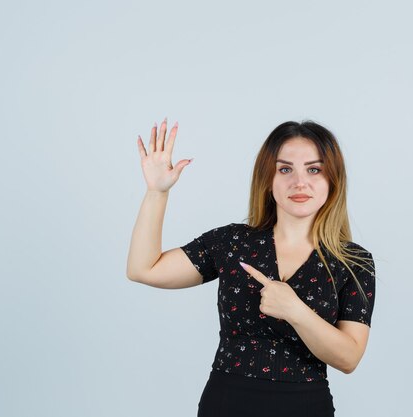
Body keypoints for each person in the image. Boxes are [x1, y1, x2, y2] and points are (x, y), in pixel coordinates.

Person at [126, 118, 376, 417]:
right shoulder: (232, 241)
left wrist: (294, 310)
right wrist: (157, 192)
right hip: (227, 403)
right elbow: (144, 269)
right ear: (267, 179)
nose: (299, 182)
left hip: (307, 407)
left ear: (332, 179)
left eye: (314, 169)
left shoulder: (353, 262)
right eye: (285, 169)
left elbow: (349, 358)